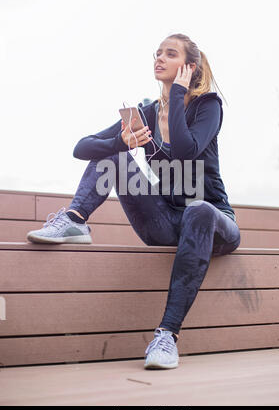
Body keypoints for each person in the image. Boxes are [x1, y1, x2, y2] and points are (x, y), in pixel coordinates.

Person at [27, 33, 241, 370]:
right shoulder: (146, 112)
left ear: (189, 66)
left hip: (212, 222)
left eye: (170, 54)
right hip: (166, 222)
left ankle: (167, 336)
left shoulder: (207, 106)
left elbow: (186, 150)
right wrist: (121, 140)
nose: (159, 58)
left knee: (199, 209)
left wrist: (180, 94)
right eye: (157, 53)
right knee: (113, 154)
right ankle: (74, 220)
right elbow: (81, 148)